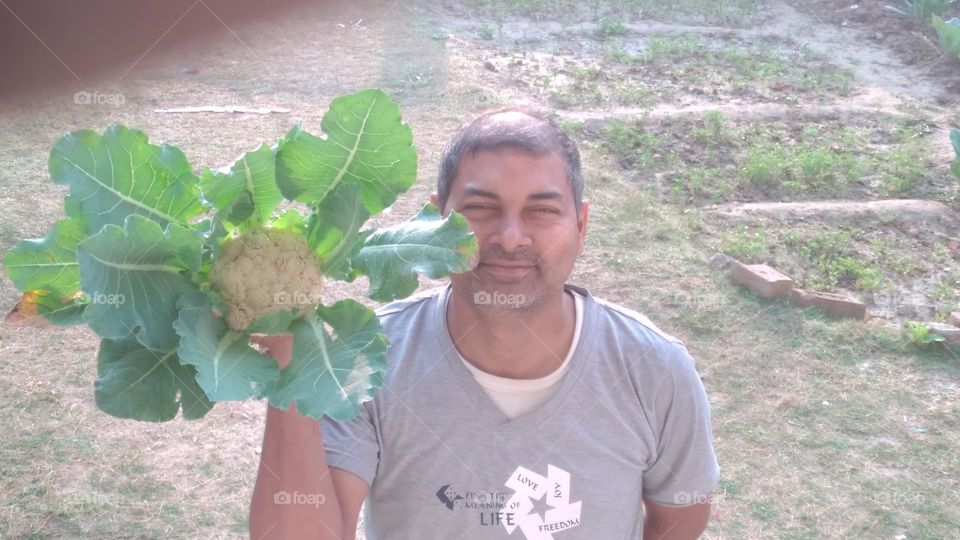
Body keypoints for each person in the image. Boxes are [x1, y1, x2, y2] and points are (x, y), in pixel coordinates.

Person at [249, 109, 720, 540]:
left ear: (581, 225)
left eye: (542, 210)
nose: (510, 237)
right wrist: (290, 368)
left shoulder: (654, 369)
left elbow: (679, 517)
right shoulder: (359, 360)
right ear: (434, 222)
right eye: (480, 208)